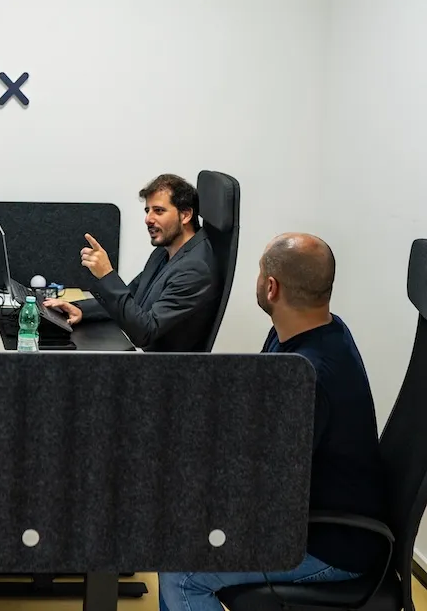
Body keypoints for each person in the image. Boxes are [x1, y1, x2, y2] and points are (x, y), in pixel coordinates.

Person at [157, 233, 389, 611]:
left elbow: (260, 485)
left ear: (271, 287)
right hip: (305, 516)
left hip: (330, 546)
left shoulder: (309, 377)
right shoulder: (312, 333)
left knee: (181, 571)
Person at [44, 173, 219, 351]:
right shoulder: (164, 251)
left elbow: (144, 333)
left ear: (186, 215)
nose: (148, 219)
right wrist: (80, 309)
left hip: (165, 365)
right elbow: (134, 297)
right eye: (147, 211)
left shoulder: (195, 269)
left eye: (159, 211)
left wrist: (106, 274)